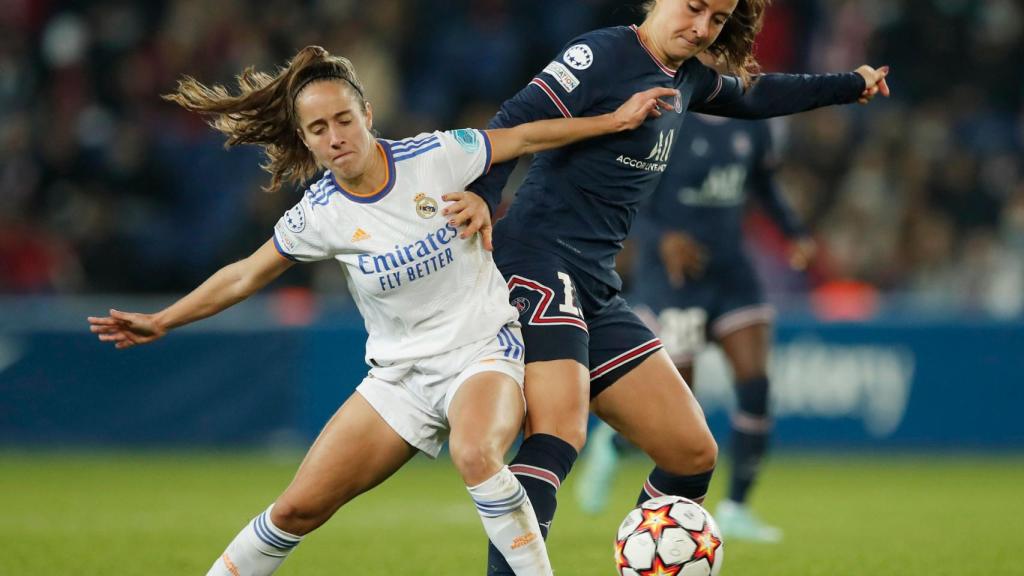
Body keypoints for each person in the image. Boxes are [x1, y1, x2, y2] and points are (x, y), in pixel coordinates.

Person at [86, 45, 677, 576]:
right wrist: (163, 319)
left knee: (476, 454)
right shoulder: (319, 215)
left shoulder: (436, 155)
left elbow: (523, 139)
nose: (335, 135)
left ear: (368, 115)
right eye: (318, 128)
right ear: (306, 140)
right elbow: (245, 274)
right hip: (400, 379)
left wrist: (615, 121)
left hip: (483, 350)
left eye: (344, 119)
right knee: (297, 508)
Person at [446, 1, 890, 572]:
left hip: (595, 283)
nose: (703, 27)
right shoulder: (601, 54)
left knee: (691, 452)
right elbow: (512, 119)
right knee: (558, 432)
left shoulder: (690, 78)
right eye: (695, 7)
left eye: (718, 19)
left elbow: (757, 96)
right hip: (536, 259)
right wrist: (485, 191)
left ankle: (650, 561)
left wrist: (845, 85)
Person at [575, 113, 816, 543]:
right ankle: (613, 446)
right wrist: (661, 238)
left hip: (731, 275)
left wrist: (793, 231)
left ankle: (738, 506)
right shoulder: (671, 122)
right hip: (675, 279)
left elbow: (762, 184)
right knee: (675, 416)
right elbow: (630, 195)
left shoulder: (751, 121)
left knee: (755, 385)